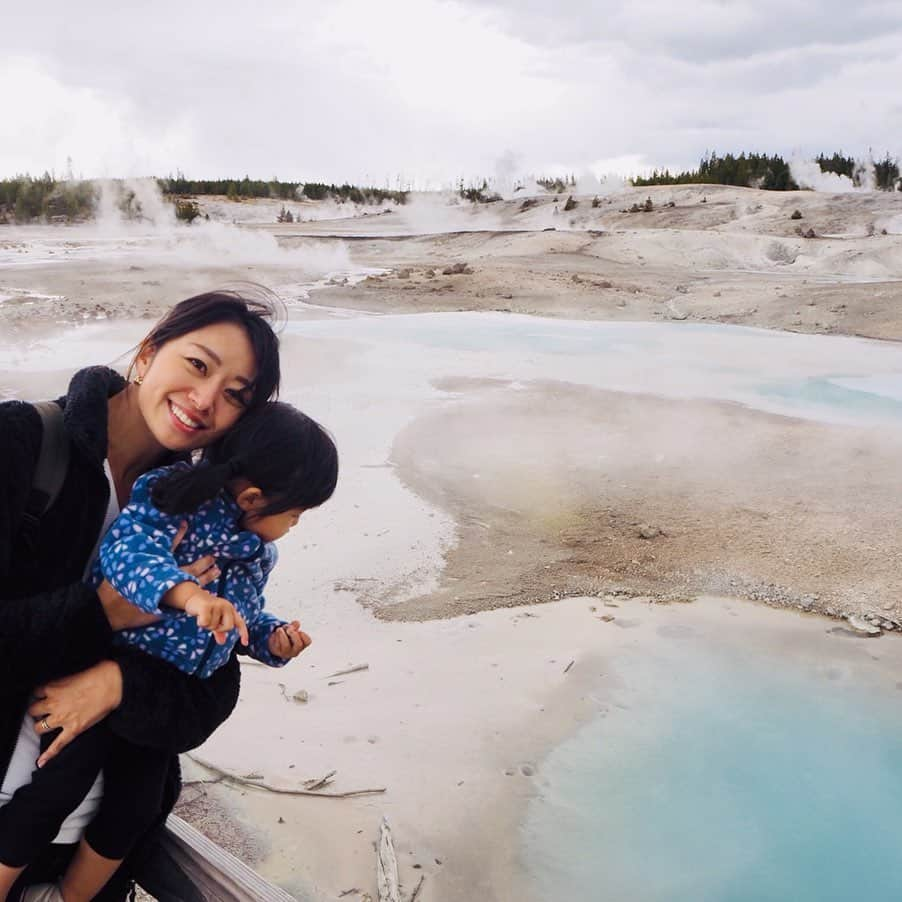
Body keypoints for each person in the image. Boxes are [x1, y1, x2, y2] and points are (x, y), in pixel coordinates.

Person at [0, 287, 284, 901]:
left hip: (93, 852)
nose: (205, 400)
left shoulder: (208, 514)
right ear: (150, 351)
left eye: (235, 394)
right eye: (198, 365)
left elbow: (213, 686)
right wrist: (98, 612)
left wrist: (120, 686)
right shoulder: (22, 445)